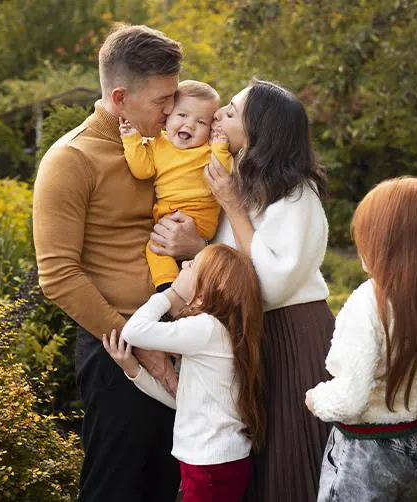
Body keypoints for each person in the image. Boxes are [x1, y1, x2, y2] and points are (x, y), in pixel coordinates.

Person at [148, 80, 335, 501]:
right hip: (251, 337)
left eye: (231, 112)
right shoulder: (236, 179)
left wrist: (219, 222)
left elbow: (268, 283)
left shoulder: (296, 196)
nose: (217, 115)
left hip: (292, 337)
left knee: (289, 463)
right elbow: (230, 258)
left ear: (257, 132)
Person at [32, 24, 183, 501]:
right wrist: (140, 346)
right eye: (162, 99)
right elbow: (58, 276)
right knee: (114, 489)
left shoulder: (166, 147)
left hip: (179, 341)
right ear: (120, 98)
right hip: (117, 351)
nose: (171, 109)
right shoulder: (70, 159)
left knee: (167, 487)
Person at [305, 177, 417, 502]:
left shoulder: (369, 303)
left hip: (364, 452)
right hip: (416, 445)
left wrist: (317, 398)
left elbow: (351, 400)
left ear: (386, 244)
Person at [102, 244, 264, 502]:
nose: (184, 265)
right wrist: (134, 370)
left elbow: (134, 331)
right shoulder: (220, 332)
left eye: (192, 265)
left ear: (202, 293)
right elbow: (182, 402)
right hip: (213, 463)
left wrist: (170, 293)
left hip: (209, 466)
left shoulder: (205, 329)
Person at [121, 79, 233, 292]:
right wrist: (131, 140)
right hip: (167, 216)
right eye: (182, 115)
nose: (189, 125)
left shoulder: (208, 149)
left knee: (158, 246)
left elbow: (224, 171)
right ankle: (168, 287)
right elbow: (142, 170)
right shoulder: (157, 144)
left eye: (201, 122)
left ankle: (174, 289)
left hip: (200, 217)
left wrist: (220, 147)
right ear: (167, 118)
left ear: (210, 128)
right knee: (155, 248)